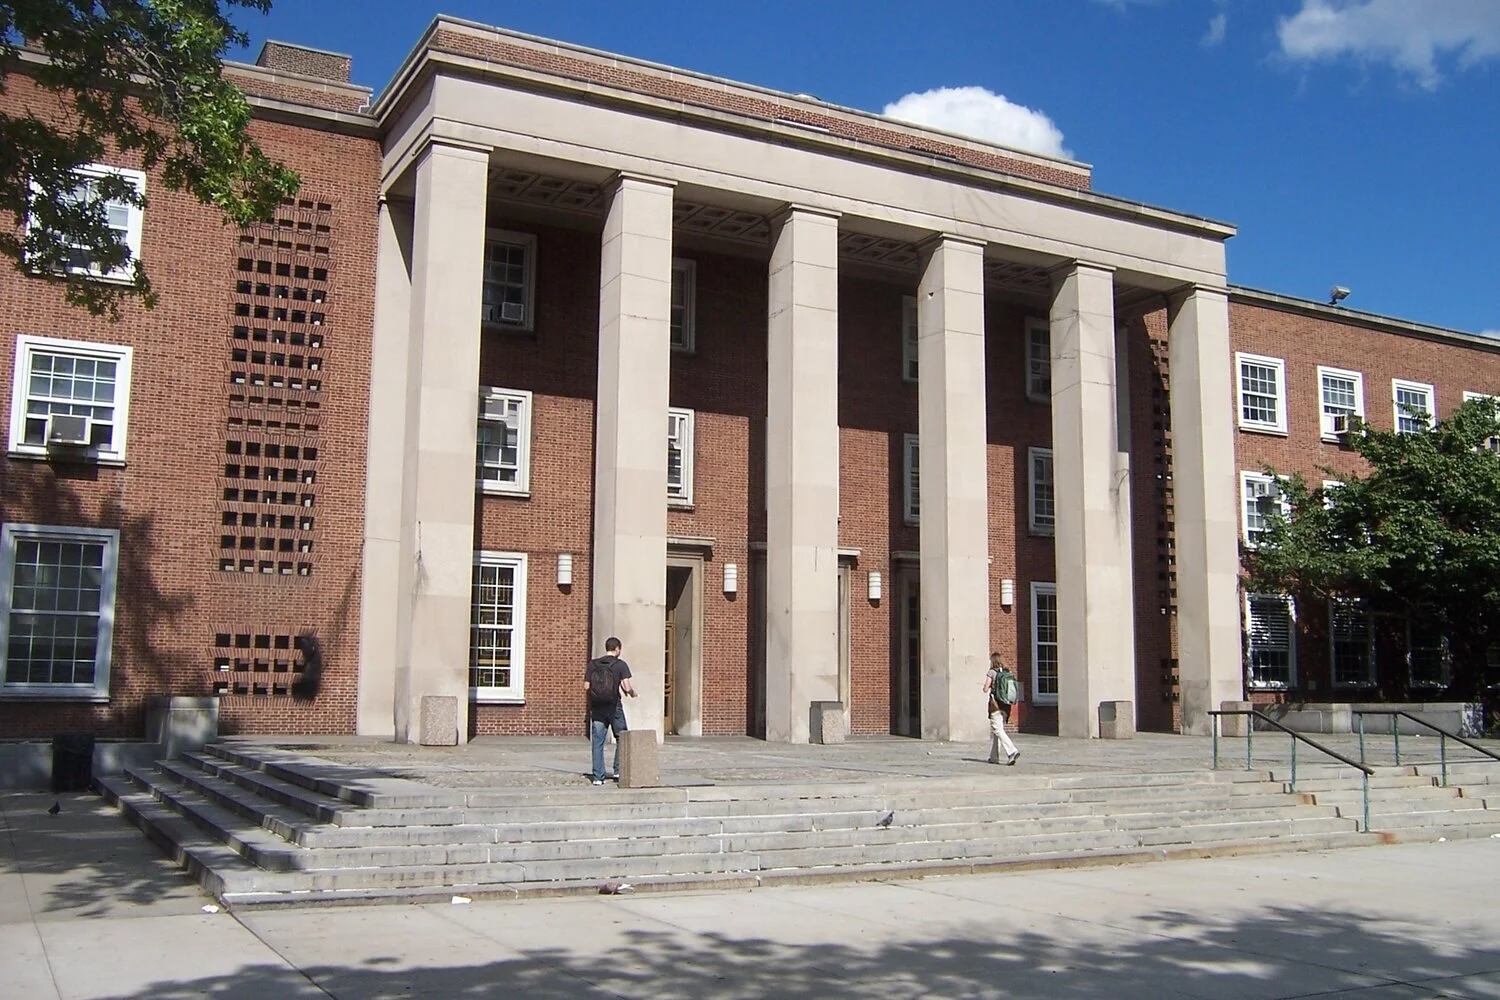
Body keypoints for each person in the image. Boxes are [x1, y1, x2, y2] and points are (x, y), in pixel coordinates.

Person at [585, 636, 635, 785]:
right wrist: (632, 693)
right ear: (617, 649)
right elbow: (626, 687)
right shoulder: (620, 665)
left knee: (597, 741)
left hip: (597, 707)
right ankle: (618, 770)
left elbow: (586, 686)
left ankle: (598, 777)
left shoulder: (593, 664)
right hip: (614, 707)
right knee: (622, 737)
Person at [982, 652, 1020, 766]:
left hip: (995, 705)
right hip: (1006, 705)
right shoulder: (1008, 672)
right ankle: (994, 757)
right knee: (998, 731)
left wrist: (987, 687)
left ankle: (1012, 751)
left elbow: (985, 688)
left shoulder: (992, 672)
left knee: (997, 729)